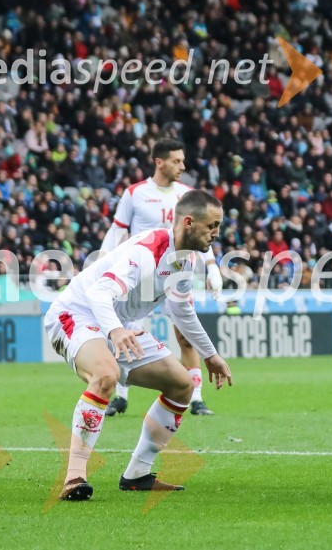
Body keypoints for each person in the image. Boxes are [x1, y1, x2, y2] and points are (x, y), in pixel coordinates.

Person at [45, 189, 232, 501]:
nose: (216, 233)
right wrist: (116, 332)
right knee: (105, 375)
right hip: (76, 314)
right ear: (188, 222)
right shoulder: (147, 251)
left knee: (182, 385)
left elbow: (181, 310)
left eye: (218, 226)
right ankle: (74, 476)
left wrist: (210, 355)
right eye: (212, 225)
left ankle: (137, 474)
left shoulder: (185, 262)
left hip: (118, 322)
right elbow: (99, 293)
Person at [100, 138, 224, 416]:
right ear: (159, 162)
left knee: (184, 333)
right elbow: (118, 230)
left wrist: (212, 266)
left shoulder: (188, 194)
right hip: (139, 273)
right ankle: (120, 396)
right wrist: (104, 259)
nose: (183, 165)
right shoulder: (135, 193)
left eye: (182, 160)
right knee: (129, 331)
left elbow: (201, 234)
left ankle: (196, 397)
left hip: (177, 270)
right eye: (177, 160)